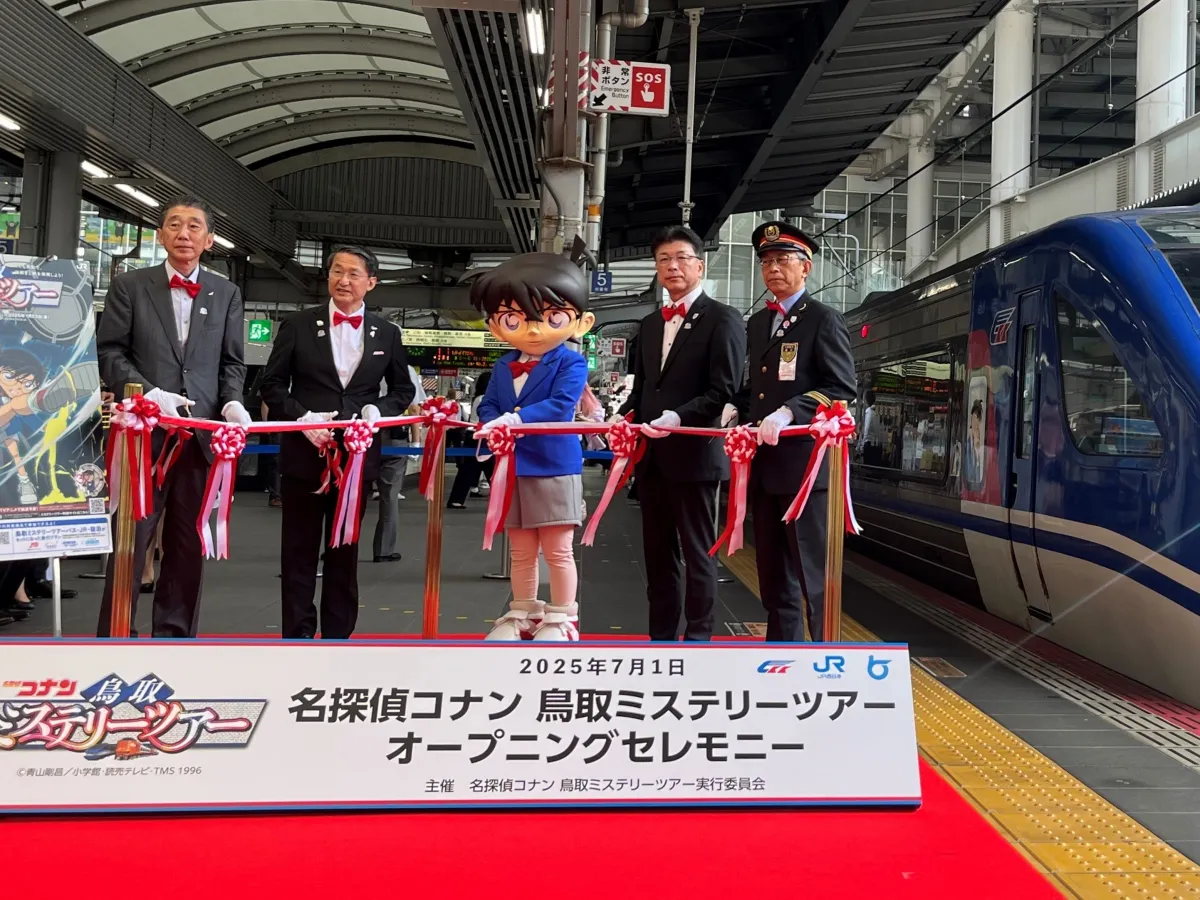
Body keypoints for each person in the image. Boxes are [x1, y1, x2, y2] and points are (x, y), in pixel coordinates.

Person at [95, 196, 249, 638]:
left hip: (201, 435)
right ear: (161, 235)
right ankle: (115, 634)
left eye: (194, 226)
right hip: (144, 432)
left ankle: (175, 635)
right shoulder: (130, 285)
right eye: (175, 225)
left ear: (209, 239)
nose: (184, 233)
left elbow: (232, 362)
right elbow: (109, 351)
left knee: (187, 540)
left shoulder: (226, 292)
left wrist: (232, 402)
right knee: (132, 538)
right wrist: (149, 394)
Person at [260, 245, 414, 640]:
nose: (343, 280)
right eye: (336, 272)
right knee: (298, 550)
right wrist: (301, 418)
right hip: (304, 453)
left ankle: (338, 636)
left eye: (353, 274)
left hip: (357, 456)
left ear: (371, 282)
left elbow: (403, 390)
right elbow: (272, 384)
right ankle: (296, 635)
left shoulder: (387, 333)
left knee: (345, 549)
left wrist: (377, 410)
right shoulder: (298, 325)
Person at [725, 221, 857, 643]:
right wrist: (737, 406)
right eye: (766, 262)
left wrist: (790, 411)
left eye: (783, 260)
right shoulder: (758, 323)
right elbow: (757, 387)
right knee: (772, 573)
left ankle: (822, 655)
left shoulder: (823, 319)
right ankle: (782, 651)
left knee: (812, 574)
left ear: (806, 268)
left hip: (805, 470)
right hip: (765, 466)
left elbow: (841, 386)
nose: (773, 269)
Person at [619, 225, 746, 642]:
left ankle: (698, 638)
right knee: (657, 555)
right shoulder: (649, 324)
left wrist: (677, 417)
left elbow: (724, 389)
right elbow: (642, 390)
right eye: (663, 260)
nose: (672, 266)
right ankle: (660, 637)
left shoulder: (723, 319)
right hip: (652, 459)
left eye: (681, 258)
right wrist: (621, 418)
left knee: (698, 552)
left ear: (700, 266)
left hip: (694, 456)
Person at [472, 253, 594, 641]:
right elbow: (489, 404)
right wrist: (489, 422)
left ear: (580, 322)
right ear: (496, 325)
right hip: (511, 466)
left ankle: (563, 614)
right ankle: (524, 609)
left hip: (554, 464)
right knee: (521, 549)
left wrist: (514, 420)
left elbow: (561, 405)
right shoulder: (502, 365)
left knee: (557, 549)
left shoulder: (572, 363)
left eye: (552, 317)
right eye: (514, 319)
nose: (534, 328)